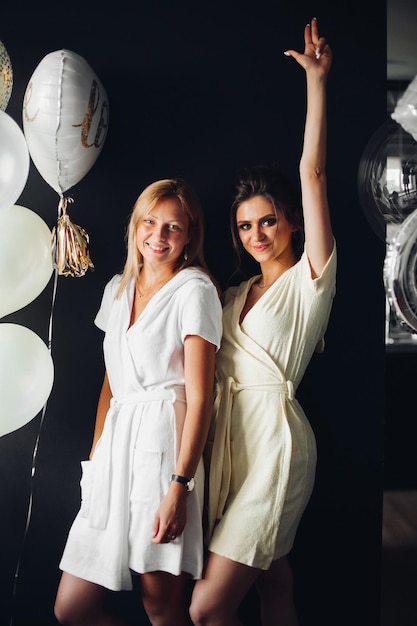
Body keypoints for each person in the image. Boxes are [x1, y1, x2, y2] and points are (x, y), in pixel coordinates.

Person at [190, 18, 336, 626]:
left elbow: (311, 174)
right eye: (246, 226)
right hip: (230, 449)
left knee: (205, 610)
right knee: (275, 582)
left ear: (293, 224)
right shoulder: (232, 293)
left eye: (269, 222)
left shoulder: (311, 279)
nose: (257, 236)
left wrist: (317, 84)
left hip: (276, 448)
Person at [54, 178, 223, 626]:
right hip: (114, 451)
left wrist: (179, 487)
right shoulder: (116, 289)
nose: (159, 236)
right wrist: (95, 460)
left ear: (189, 236)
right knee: (71, 610)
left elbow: (201, 397)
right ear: (135, 225)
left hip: (164, 446)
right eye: (150, 222)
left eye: (173, 227)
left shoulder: (195, 290)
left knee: (160, 606)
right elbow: (111, 386)